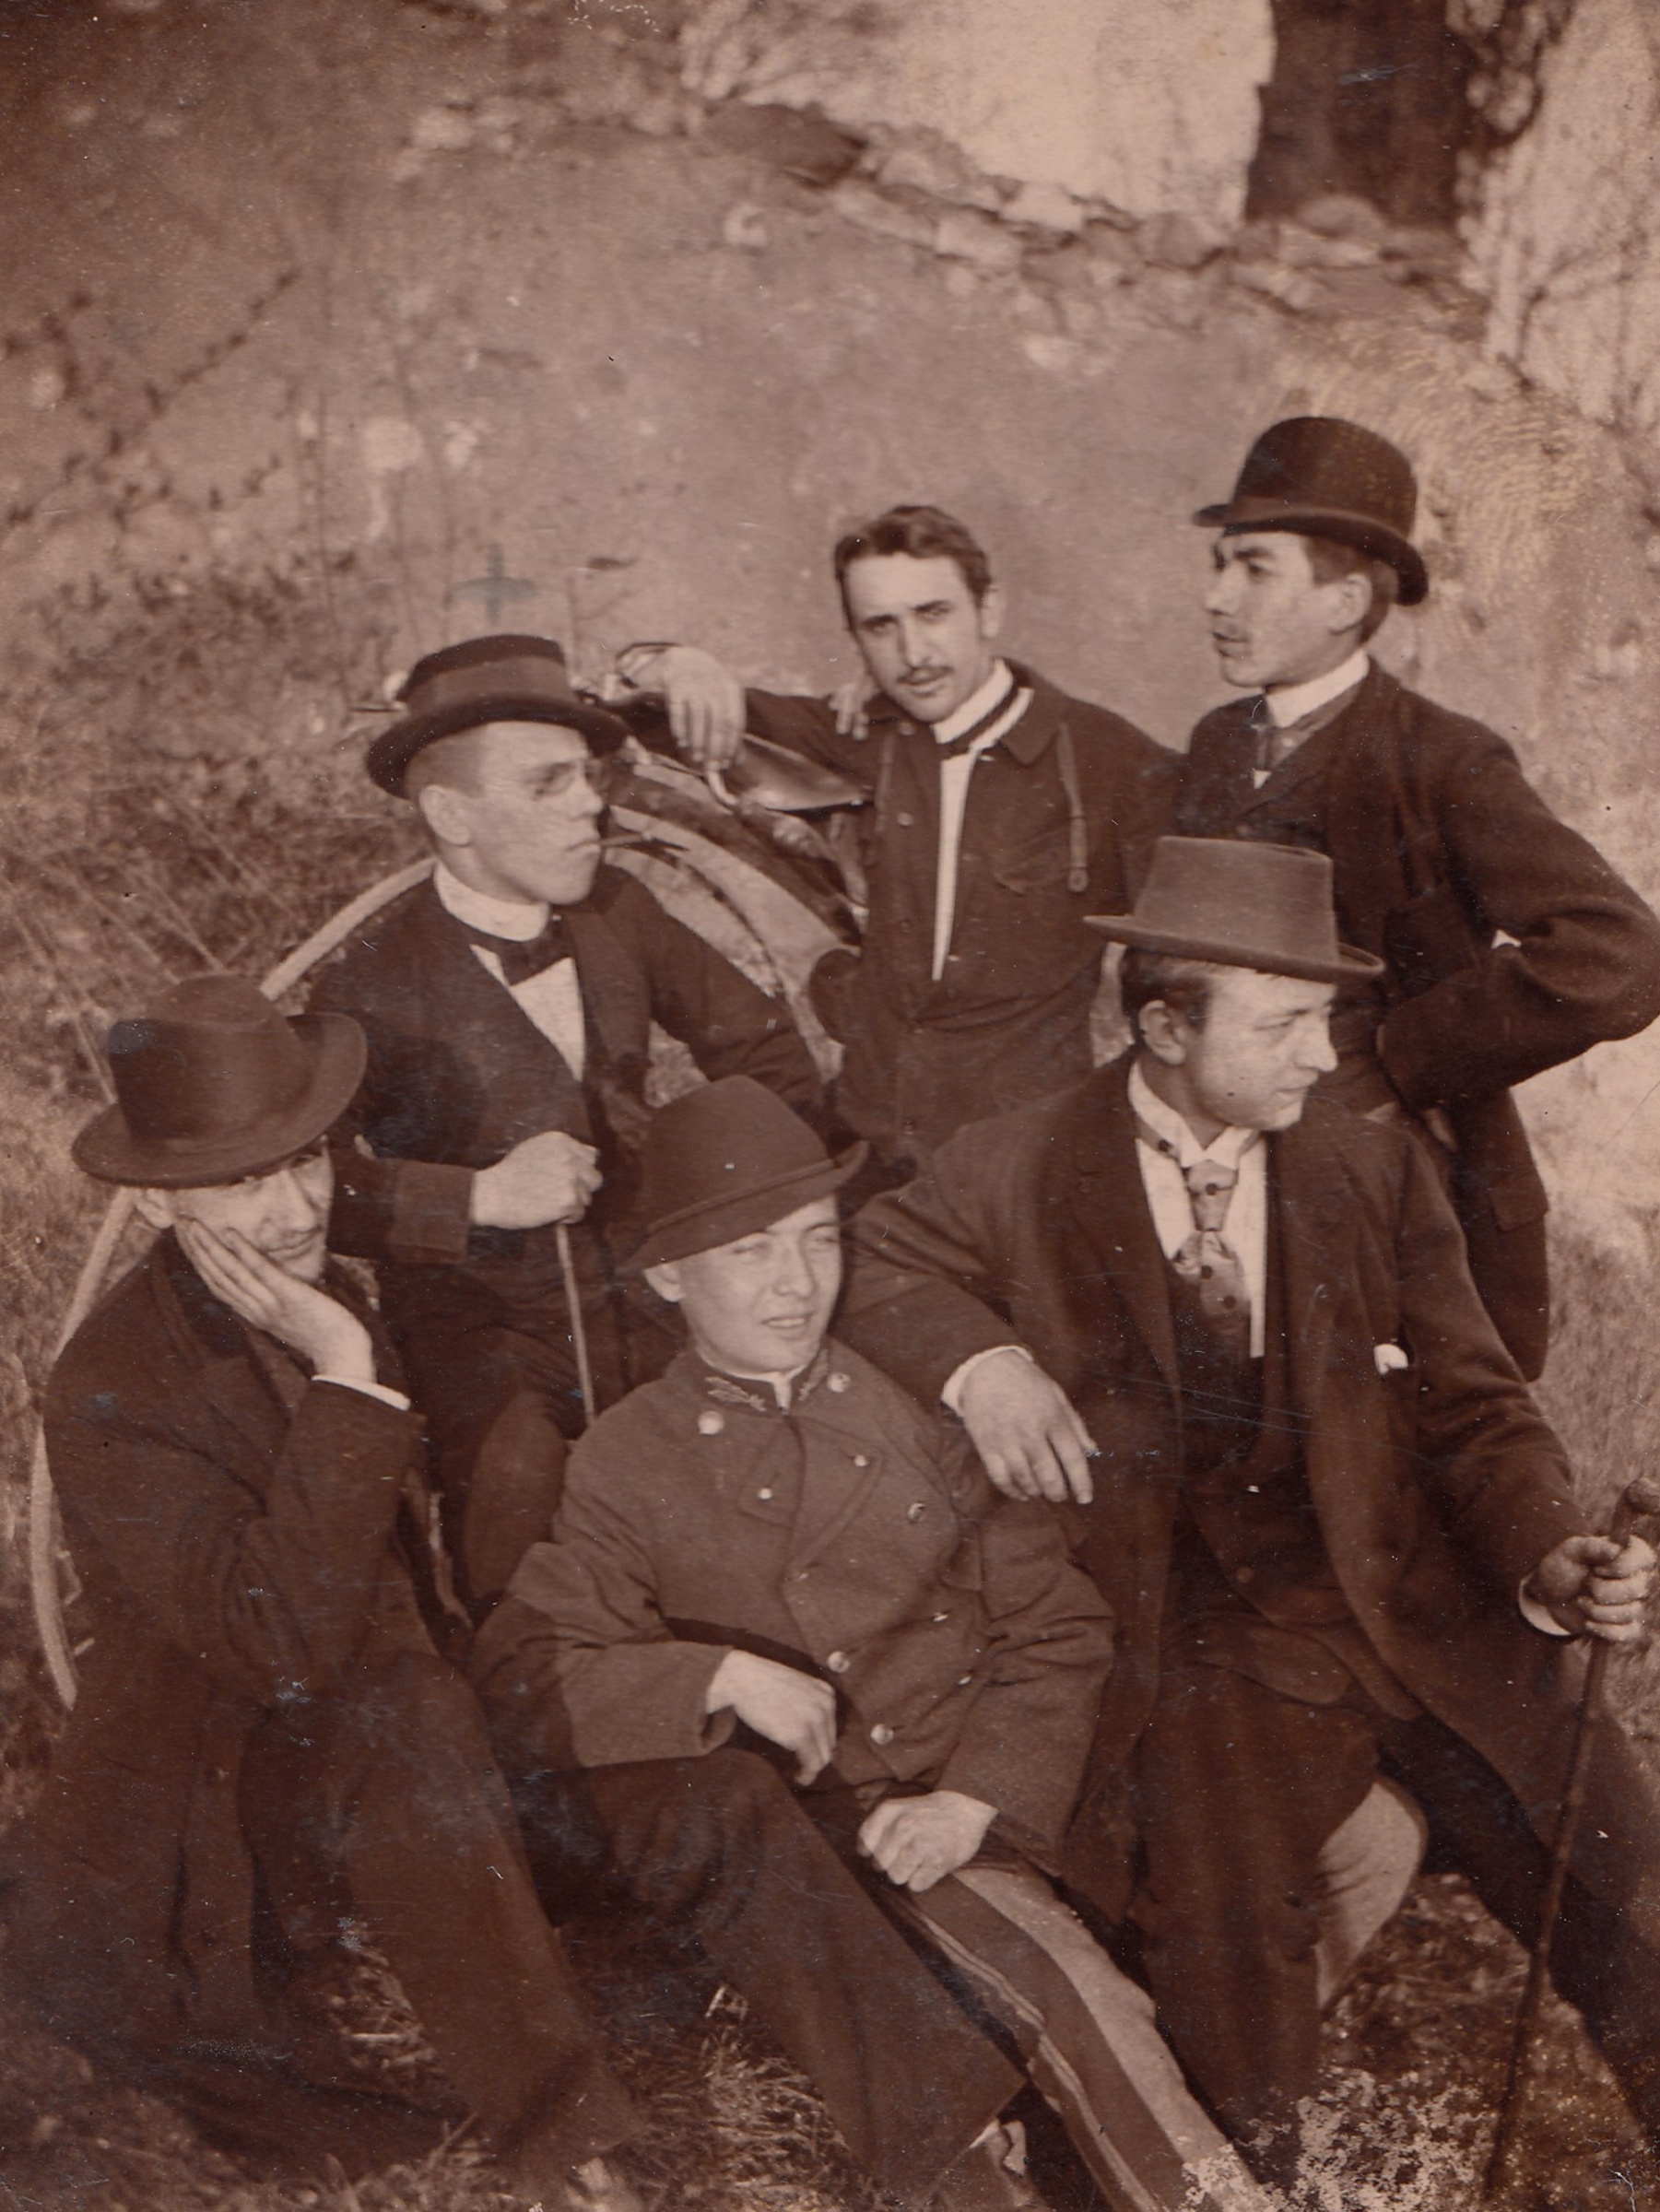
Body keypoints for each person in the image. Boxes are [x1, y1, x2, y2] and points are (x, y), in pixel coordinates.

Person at [835, 836, 1660, 2184]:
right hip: (1203, 1644)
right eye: (1281, 1026)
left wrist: (1545, 1553)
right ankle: (1249, 2185)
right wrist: (982, 1364)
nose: (1321, 1058)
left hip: (1423, 1606)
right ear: (1166, 1026)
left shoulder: (1369, 1167)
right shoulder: (1023, 1161)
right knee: (1228, 1959)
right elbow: (876, 1260)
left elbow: (1475, 1407)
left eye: (1323, 1021)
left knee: (1626, 1889)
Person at [472, 1075, 1271, 2212]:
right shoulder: (624, 1457)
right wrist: (713, 1675)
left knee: (1089, 1983)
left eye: (817, 1240)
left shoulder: (920, 1411)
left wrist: (972, 1802)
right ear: (666, 1276)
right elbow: (524, 1677)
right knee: (1041, 2012)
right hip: (800, 1848)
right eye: (750, 1251)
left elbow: (1057, 1628)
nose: (796, 1284)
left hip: (960, 1804)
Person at [2, 975, 647, 2211]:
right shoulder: (114, 1385)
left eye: (305, 1159)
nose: (297, 1208)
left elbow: (370, 1206)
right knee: (410, 1715)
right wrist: (348, 1370)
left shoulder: (298, 1263)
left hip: (355, 1703)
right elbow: (278, 1641)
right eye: (246, 1179)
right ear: (157, 1199)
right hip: (216, 1780)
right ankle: (564, 2134)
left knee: (438, 1705)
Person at [308, 632, 826, 1610]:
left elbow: (765, 1054)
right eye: (547, 784)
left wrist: (724, 1206)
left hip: (656, 1299)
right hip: (485, 1335)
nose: (591, 804)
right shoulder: (367, 982)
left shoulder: (619, 911)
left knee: (746, 1522)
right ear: (451, 815)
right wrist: (479, 1198)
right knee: (519, 1525)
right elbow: (307, 1190)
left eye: (588, 777)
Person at [1173, 415, 1660, 1378]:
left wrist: (1405, 1052)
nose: (1215, 597)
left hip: (1406, 1181)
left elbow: (1619, 952)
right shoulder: (1217, 744)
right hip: (1228, 1166)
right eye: (1218, 565)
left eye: (1254, 569)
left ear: (1345, 600)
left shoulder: (1441, 759)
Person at [618, 503, 1173, 1172]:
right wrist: (675, 665)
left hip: (1024, 1166)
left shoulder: (1110, 760)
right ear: (856, 637)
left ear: (988, 610)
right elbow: (648, 717)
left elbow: (1185, 980)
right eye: (881, 627)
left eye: (933, 614)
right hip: (875, 1155)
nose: (913, 655)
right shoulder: (857, 737)